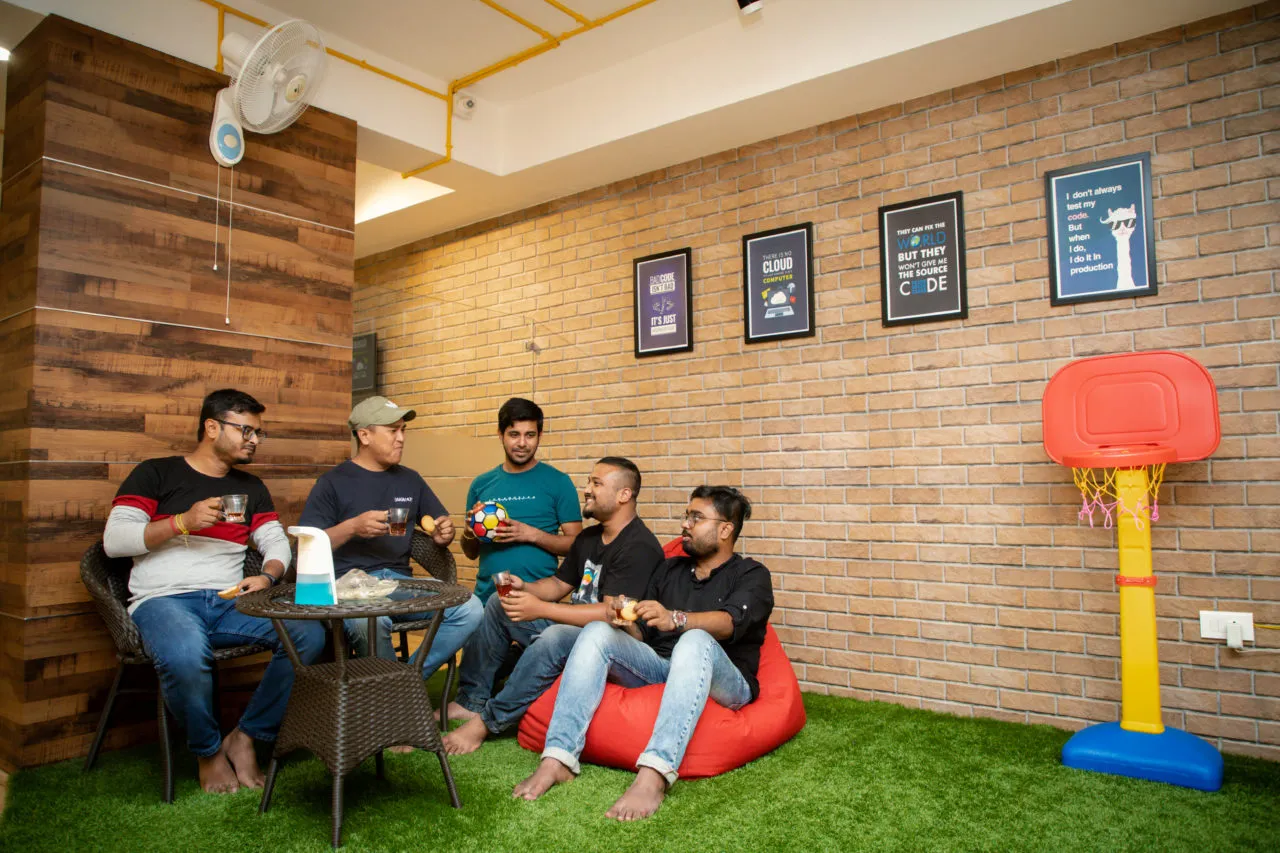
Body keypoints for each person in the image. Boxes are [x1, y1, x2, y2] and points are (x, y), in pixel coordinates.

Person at [102, 389, 326, 795]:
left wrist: (270, 577)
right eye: (246, 430)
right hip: (163, 599)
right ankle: (207, 752)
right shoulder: (156, 473)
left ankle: (246, 737)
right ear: (211, 427)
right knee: (186, 654)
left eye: (259, 433)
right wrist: (181, 522)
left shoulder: (251, 488)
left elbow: (275, 544)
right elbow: (114, 541)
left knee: (308, 634)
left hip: (229, 599)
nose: (254, 440)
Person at [513, 485, 773, 822]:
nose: (685, 525)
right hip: (663, 666)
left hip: (725, 679)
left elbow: (728, 623)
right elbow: (643, 635)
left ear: (725, 529)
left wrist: (676, 619)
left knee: (694, 639)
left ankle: (654, 774)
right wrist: (625, 619)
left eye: (696, 518)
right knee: (597, 629)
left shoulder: (752, 574)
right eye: (686, 515)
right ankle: (558, 758)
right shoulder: (670, 569)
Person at [442, 457, 663, 755]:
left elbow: (610, 616)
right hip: (575, 628)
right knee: (498, 602)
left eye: (596, 483)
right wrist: (526, 589)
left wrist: (541, 610)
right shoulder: (588, 537)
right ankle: (471, 701)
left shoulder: (639, 547)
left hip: (617, 643)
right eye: (589, 482)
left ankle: (487, 721)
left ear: (624, 495)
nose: (587, 489)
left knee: (555, 636)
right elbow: (559, 585)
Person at [298, 396, 483, 681]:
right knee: (370, 620)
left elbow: (440, 528)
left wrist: (444, 532)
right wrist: (351, 527)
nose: (401, 439)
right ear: (365, 435)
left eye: (403, 430)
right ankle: (394, 692)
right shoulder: (332, 482)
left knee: (470, 609)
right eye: (392, 431)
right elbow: (306, 547)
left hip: (399, 582)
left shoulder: (411, 479)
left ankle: (403, 682)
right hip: (350, 586)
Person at [461, 397, 582, 602]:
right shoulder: (481, 484)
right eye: (514, 434)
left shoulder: (559, 482)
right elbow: (471, 553)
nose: (522, 443)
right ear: (500, 435)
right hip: (486, 598)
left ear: (540, 436)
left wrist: (531, 534)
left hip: (537, 601)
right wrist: (469, 534)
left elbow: (577, 546)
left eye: (530, 435)